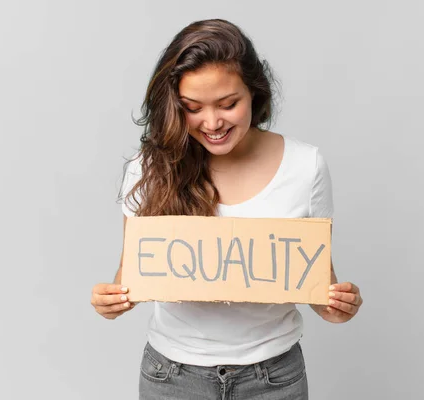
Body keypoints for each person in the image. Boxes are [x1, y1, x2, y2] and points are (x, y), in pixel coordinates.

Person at [90, 18, 363, 399]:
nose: (212, 122)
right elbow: (129, 277)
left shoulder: (306, 166)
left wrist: (338, 305)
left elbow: (319, 285)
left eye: (228, 104)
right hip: (173, 377)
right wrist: (111, 301)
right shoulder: (150, 167)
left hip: (273, 378)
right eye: (192, 108)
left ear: (254, 93)